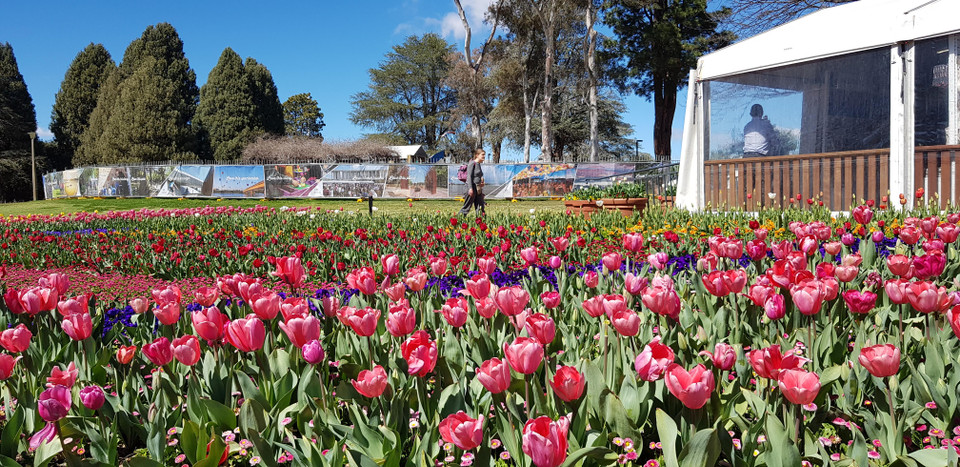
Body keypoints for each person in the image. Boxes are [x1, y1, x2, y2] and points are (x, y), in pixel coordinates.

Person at [459, 148, 486, 215]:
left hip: (478, 188)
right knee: (467, 207)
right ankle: (459, 218)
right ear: (477, 155)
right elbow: (469, 176)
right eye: (482, 154)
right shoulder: (472, 163)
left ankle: (481, 219)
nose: (484, 156)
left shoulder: (478, 164)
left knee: (480, 206)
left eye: (484, 155)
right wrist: (470, 188)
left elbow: (477, 175)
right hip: (471, 187)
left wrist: (481, 182)